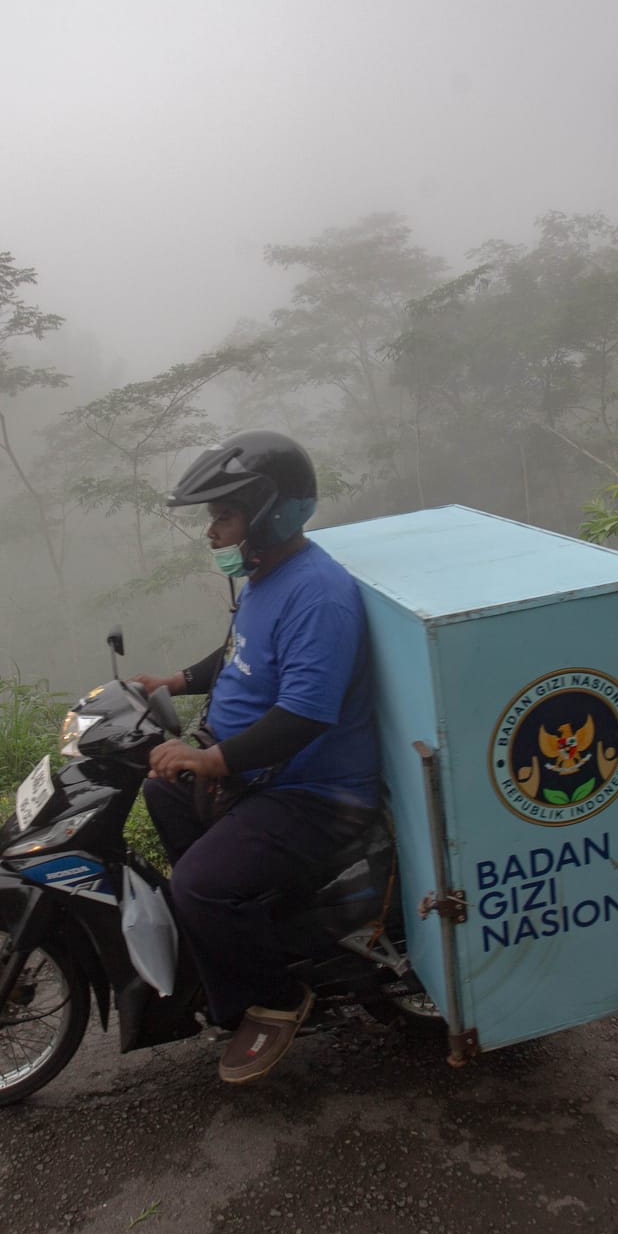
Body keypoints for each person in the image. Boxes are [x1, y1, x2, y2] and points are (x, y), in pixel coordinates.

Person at [129, 429, 380, 1085]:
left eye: (223, 516)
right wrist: (175, 682)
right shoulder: (268, 579)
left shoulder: (316, 593)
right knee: (161, 792)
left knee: (198, 883)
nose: (211, 532)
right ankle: (242, 922)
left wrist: (214, 761)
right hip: (262, 775)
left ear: (268, 514)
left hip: (317, 792)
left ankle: (275, 993)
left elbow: (306, 712)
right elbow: (240, 652)